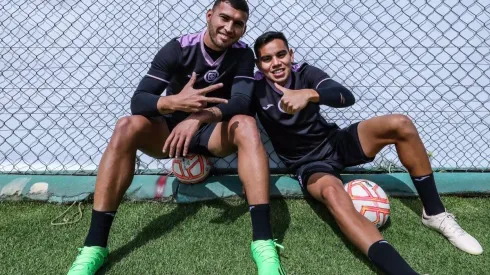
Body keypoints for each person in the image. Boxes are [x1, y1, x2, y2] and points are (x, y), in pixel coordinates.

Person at [67, 2, 286, 274]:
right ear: (209, 16)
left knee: (247, 124)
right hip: (169, 135)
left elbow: (242, 101)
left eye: (238, 23)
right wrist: (173, 103)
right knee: (126, 126)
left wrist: (198, 117)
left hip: (211, 133)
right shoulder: (178, 48)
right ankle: (94, 246)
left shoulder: (241, 54)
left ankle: (263, 243)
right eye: (224, 18)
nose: (229, 28)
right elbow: (139, 101)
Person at [251, 31, 483, 275]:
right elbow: (235, 109)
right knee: (332, 193)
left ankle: (435, 214)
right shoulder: (255, 89)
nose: (276, 63)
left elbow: (345, 96)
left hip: (334, 142)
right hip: (308, 164)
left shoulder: (306, 73)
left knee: (400, 124)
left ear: (291, 55)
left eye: (281, 54)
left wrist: (309, 94)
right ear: (259, 65)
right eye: (267, 59)